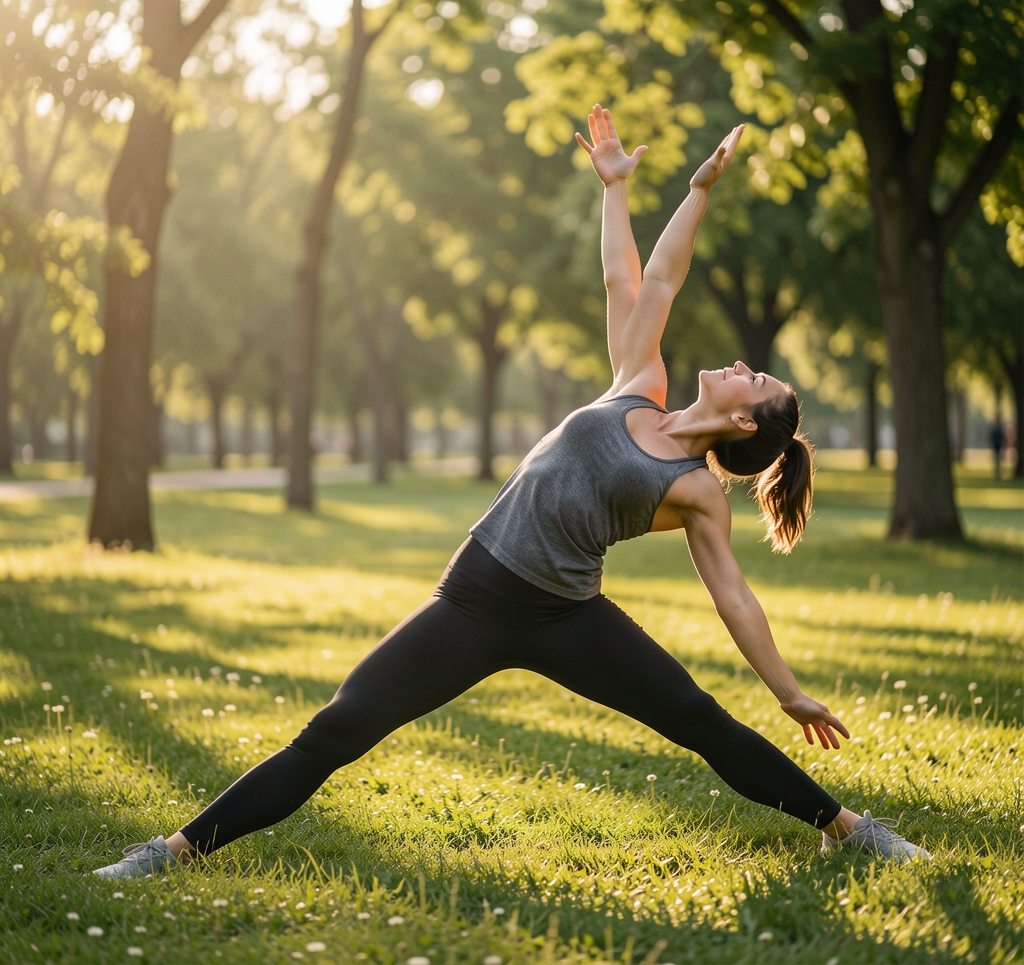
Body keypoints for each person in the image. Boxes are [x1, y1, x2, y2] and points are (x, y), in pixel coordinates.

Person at [93, 105, 928, 880]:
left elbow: (735, 598)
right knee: (338, 730)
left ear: (748, 424)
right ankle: (170, 852)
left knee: (702, 721)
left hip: (568, 618)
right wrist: (648, 190)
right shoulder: (639, 381)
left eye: (757, 379)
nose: (743, 366)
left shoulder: (695, 492)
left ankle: (855, 832)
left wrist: (785, 689)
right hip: (472, 596)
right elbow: (642, 280)